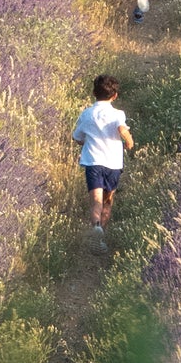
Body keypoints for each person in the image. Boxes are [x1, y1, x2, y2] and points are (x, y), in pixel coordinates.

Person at [71, 72, 135, 244]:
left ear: (94, 93)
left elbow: (77, 137)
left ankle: (96, 229)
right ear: (115, 96)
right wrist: (129, 141)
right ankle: (101, 236)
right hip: (113, 163)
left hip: (93, 162)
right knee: (107, 200)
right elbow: (122, 129)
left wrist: (86, 139)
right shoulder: (118, 114)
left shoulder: (87, 114)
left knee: (95, 201)